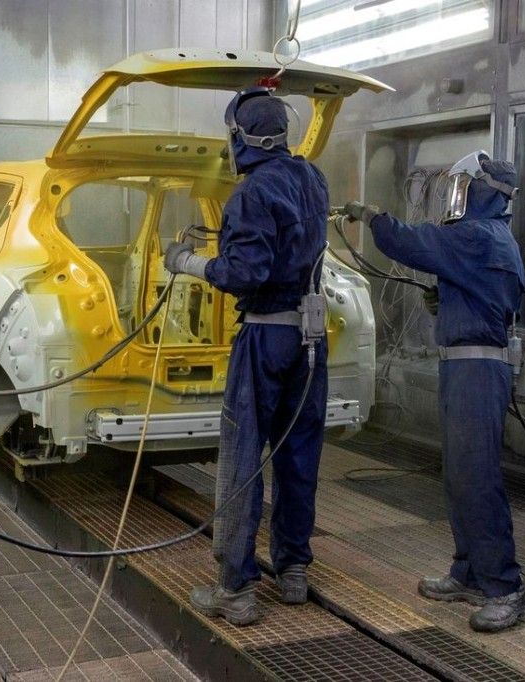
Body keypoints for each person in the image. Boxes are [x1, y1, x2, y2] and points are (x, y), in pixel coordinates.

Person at [343, 151, 525, 633]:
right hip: (466, 366)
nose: (456, 196)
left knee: (476, 477)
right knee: (460, 475)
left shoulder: (478, 235)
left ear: (483, 192)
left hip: (477, 370)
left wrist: (372, 216)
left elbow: (411, 242)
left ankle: (505, 588)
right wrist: (448, 298)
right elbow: (486, 296)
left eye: (463, 187)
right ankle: (469, 571)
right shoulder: (489, 237)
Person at [163, 86, 329, 626]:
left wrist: (186, 262)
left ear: (240, 138)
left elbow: (244, 274)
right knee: (298, 454)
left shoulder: (252, 193)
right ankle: (293, 570)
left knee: (243, 459)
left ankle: (235, 590)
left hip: (264, 338)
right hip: (311, 341)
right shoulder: (313, 178)